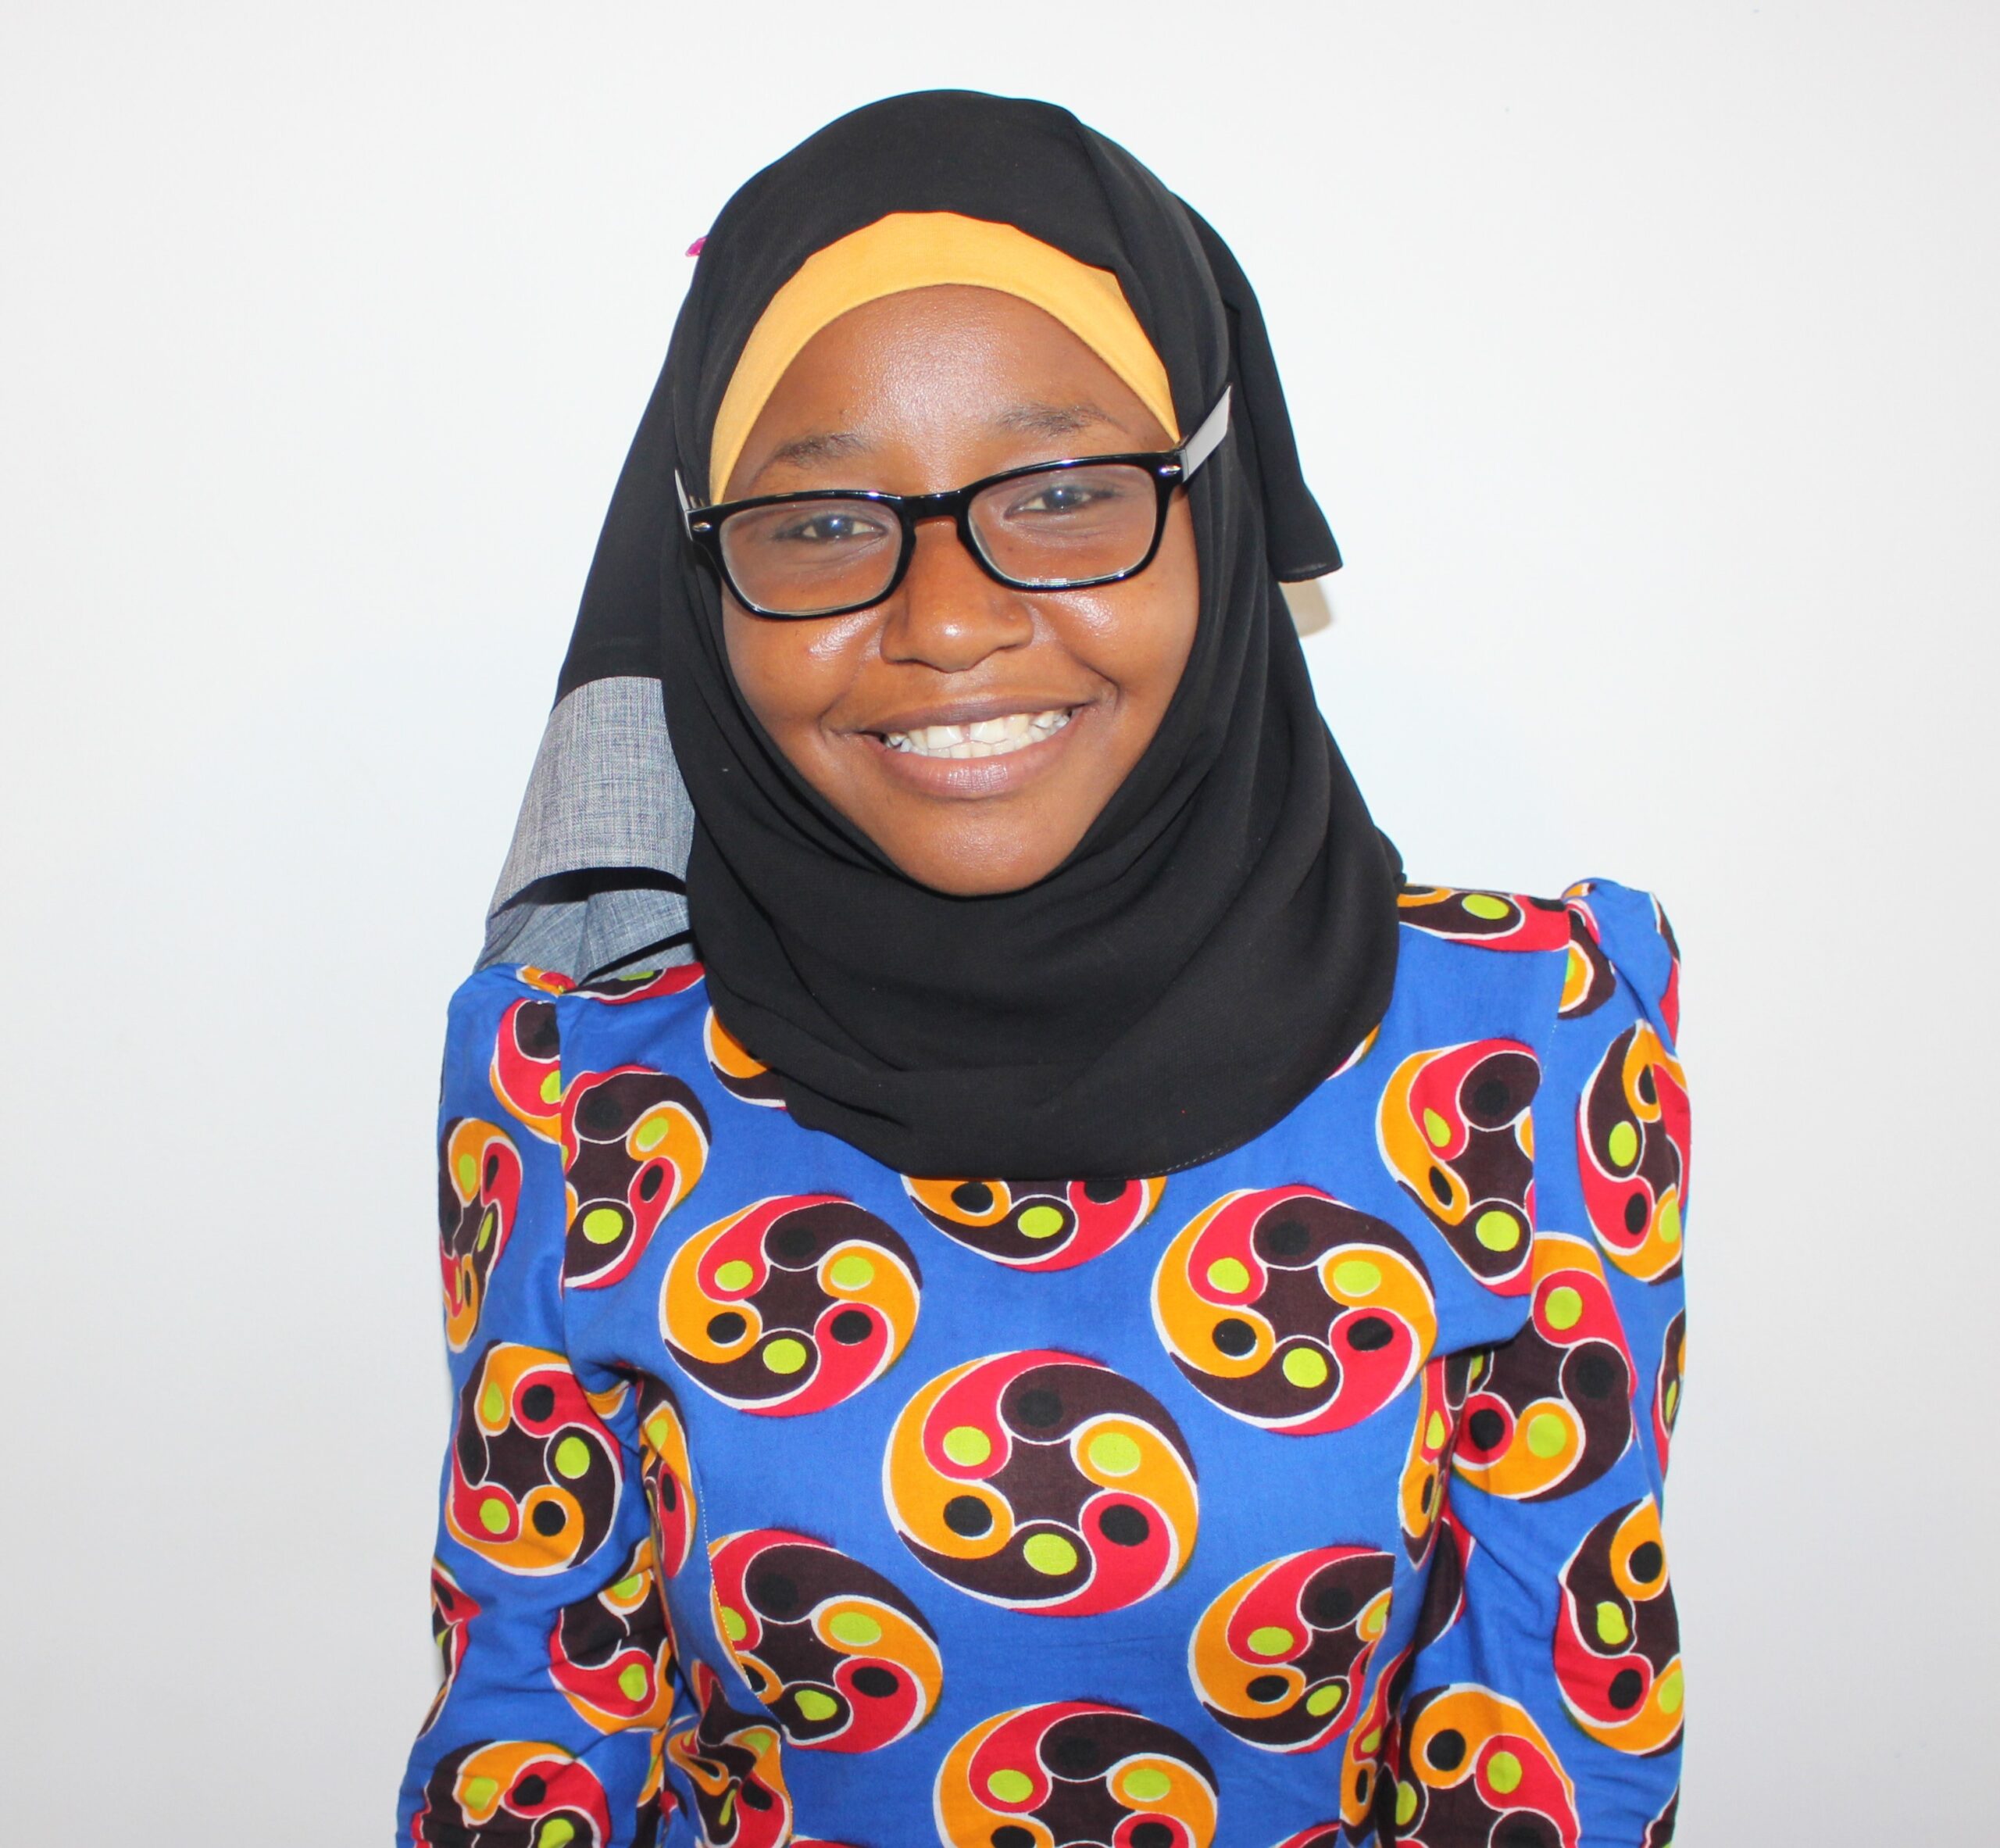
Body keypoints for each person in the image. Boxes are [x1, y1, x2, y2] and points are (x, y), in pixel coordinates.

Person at [400, 91, 1688, 1848]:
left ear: (1213, 505)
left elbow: (1549, 1755)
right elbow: (530, 1748)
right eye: (820, 521)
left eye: (1069, 491)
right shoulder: (582, 1100)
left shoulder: (1517, 1055)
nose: (942, 618)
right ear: (700, 575)